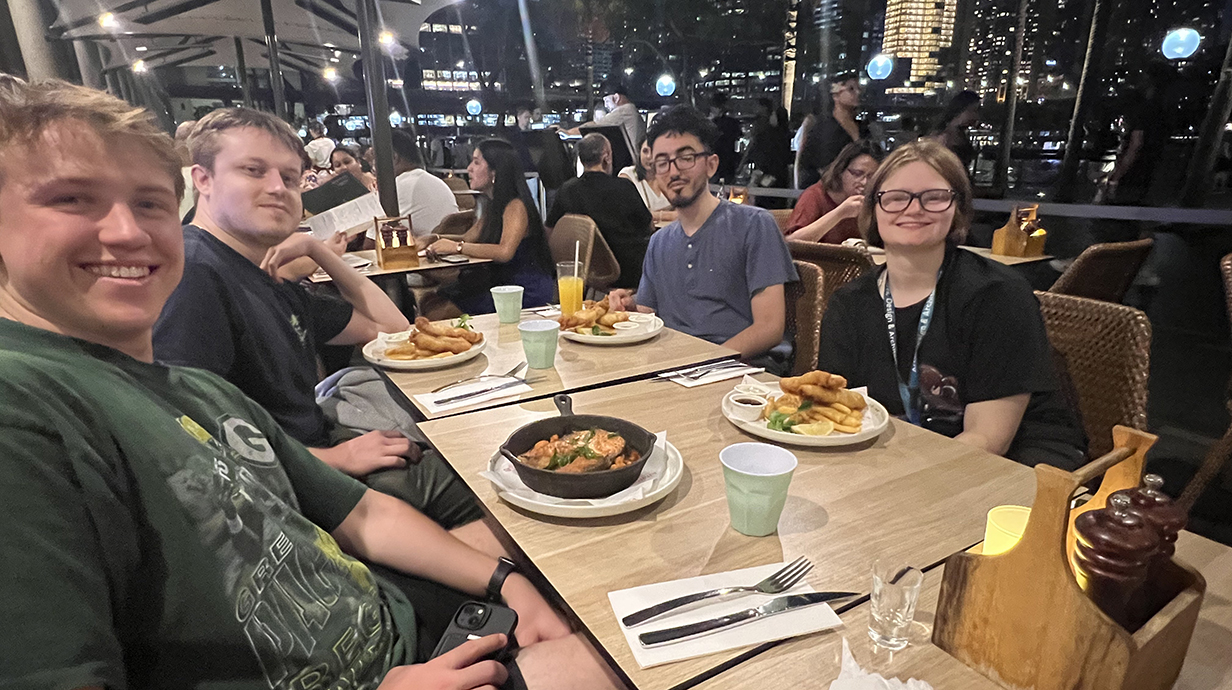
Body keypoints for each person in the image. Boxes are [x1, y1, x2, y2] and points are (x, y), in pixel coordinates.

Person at [0, 78, 625, 690]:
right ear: (205, 183)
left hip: (393, 616)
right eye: (72, 200)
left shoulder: (195, 390)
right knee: (622, 646)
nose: (128, 232)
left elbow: (362, 510)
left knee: (579, 553)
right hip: (384, 663)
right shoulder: (23, 404)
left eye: (148, 203)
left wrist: (502, 580)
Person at [153, 108, 438, 498]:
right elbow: (187, 441)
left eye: (289, 177)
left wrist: (319, 252)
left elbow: (395, 330)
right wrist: (336, 460)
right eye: (253, 170)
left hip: (316, 452)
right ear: (203, 179)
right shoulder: (195, 272)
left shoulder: (264, 275)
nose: (277, 188)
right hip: (293, 487)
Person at [817, 140, 1087, 470]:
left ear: (956, 208)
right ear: (872, 209)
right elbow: (839, 410)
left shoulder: (997, 295)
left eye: (934, 198)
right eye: (896, 197)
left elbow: (988, 440)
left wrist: (901, 477)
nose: (913, 209)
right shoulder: (850, 303)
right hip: (899, 455)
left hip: (1017, 462)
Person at [608, 106, 798, 368]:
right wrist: (629, 309)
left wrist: (703, 362)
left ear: (711, 165)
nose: (673, 171)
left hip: (740, 369)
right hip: (674, 367)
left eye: (685, 158)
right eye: (662, 163)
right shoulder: (659, 242)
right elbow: (650, 312)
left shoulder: (754, 225)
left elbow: (769, 327)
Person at [420, 139, 555, 318]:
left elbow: (504, 251)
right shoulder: (494, 205)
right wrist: (432, 240)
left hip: (521, 289)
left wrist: (457, 247)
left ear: (495, 171)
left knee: (437, 312)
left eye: (476, 162)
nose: (469, 168)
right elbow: (468, 237)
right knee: (428, 301)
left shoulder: (516, 206)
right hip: (499, 283)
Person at [546, 133, 653, 289]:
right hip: (628, 272)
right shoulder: (624, 187)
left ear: (581, 159)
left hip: (583, 271)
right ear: (606, 157)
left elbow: (551, 231)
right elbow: (648, 226)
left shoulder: (567, 190)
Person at [362, 128, 458, 244]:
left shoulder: (398, 187)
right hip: (443, 254)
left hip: (422, 256)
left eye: (374, 159)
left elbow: (371, 244)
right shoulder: (429, 180)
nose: (372, 166)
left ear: (393, 157)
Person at [785, 140, 882, 243]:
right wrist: (840, 213)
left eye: (871, 177)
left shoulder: (874, 199)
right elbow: (791, 243)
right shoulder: (815, 195)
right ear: (840, 171)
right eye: (857, 174)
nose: (864, 182)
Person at [797, 73, 866, 190]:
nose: (857, 93)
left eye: (859, 89)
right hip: (829, 192)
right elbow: (818, 166)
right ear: (835, 95)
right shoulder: (822, 128)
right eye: (851, 89)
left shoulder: (864, 128)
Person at [561, 80, 645, 158]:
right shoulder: (631, 110)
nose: (606, 106)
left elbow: (594, 127)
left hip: (631, 163)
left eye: (607, 101)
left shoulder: (624, 111)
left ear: (616, 98)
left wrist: (568, 133)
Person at [618, 135, 677, 225]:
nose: (649, 156)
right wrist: (668, 215)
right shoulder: (627, 175)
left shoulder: (672, 174)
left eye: (654, 151)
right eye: (645, 151)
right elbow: (631, 214)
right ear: (639, 152)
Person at [742, 98, 793, 190]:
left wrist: (744, 162)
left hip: (766, 174)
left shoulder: (766, 134)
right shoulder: (786, 134)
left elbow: (756, 149)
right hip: (781, 174)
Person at [930, 90, 979, 171]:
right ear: (961, 110)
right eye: (973, 110)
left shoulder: (955, 133)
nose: (976, 116)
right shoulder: (944, 137)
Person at [710, 91, 742, 183]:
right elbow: (737, 137)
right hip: (729, 161)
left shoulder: (711, 124)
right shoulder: (733, 122)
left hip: (714, 160)